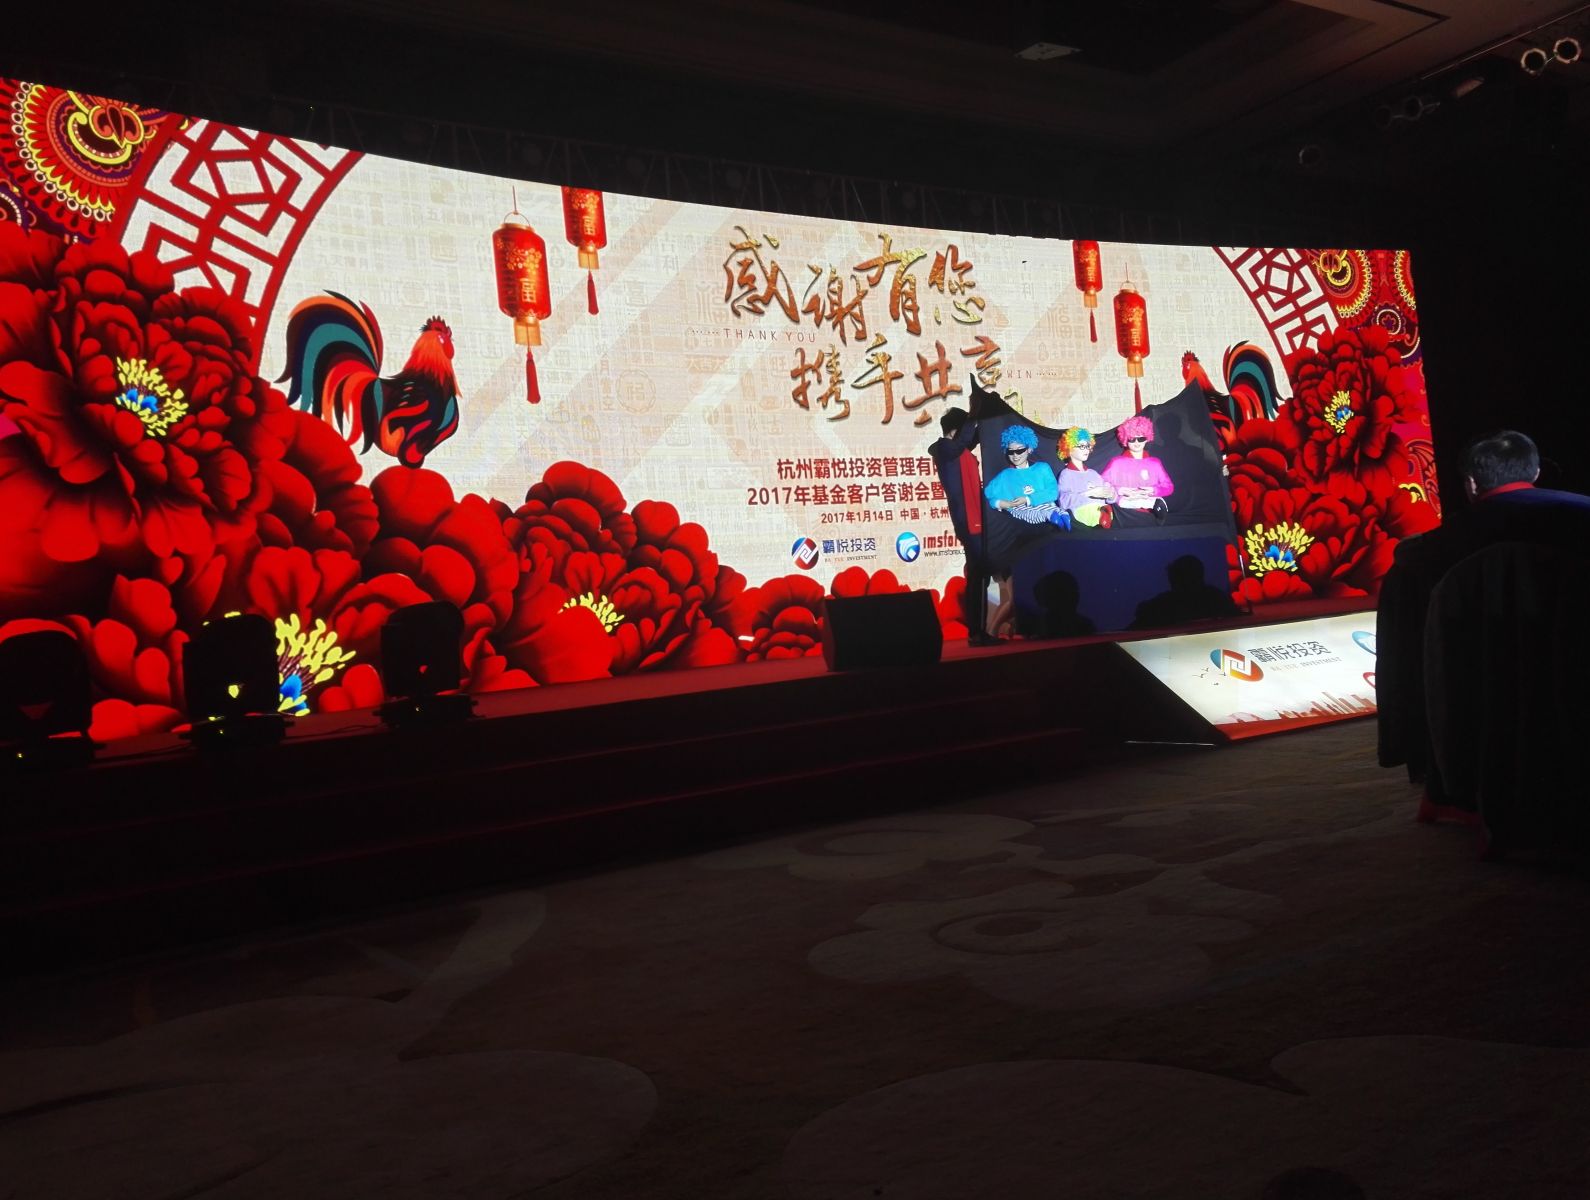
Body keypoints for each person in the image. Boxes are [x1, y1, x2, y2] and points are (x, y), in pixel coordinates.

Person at [1376, 430, 1590, 813]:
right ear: (1536, 472)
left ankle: (1447, 780)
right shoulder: (1580, 513)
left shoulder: (1433, 550)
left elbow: (1410, 647)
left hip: (1483, 682)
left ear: (1472, 484)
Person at [929, 407, 998, 646]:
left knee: (980, 576)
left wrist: (989, 413)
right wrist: (974, 413)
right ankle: (977, 633)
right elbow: (965, 438)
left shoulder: (959, 449)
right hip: (968, 522)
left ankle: (978, 631)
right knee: (978, 577)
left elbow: (974, 436)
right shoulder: (945, 449)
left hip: (978, 520)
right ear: (954, 431)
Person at [984, 424, 1066, 527]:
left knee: (1055, 510)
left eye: (1020, 450)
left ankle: (1059, 516)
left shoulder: (1042, 468)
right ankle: (1051, 516)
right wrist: (1000, 503)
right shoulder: (1005, 475)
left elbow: (1053, 492)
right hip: (1024, 514)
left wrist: (1028, 499)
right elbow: (989, 495)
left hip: (1048, 507)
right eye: (1011, 451)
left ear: (1029, 449)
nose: (1015, 455)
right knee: (1025, 513)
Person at [1100, 413, 1173, 520]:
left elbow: (1169, 487)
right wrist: (1120, 490)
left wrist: (1153, 490)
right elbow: (1102, 484)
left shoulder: (1155, 463)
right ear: (1126, 439)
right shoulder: (1116, 463)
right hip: (1126, 512)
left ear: (1147, 438)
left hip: (1152, 513)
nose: (1137, 442)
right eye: (1132, 439)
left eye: (1141, 438)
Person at [1056, 426, 1117, 527]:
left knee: (1109, 511)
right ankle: (1101, 515)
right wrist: (1088, 493)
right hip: (1081, 515)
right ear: (1069, 449)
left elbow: (1110, 493)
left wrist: (1110, 494)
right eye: (1082, 446)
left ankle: (1103, 515)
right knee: (1089, 513)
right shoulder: (1066, 474)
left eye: (1088, 446)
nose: (1086, 450)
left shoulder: (1093, 473)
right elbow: (1064, 501)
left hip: (1101, 509)